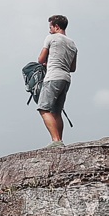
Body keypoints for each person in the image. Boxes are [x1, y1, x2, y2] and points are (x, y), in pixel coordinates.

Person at [37, 15, 77, 148]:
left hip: (53, 77)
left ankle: (56, 141)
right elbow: (73, 68)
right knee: (56, 112)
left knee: (43, 108)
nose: (49, 30)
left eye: (51, 27)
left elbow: (40, 59)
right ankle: (59, 140)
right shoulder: (72, 44)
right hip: (65, 79)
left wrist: (47, 63)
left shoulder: (51, 38)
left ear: (56, 27)